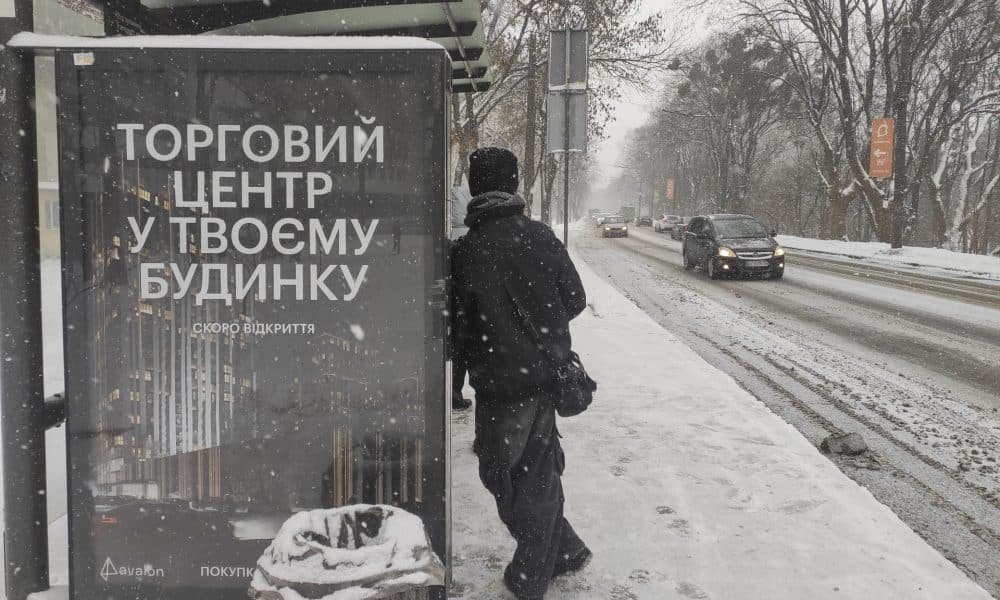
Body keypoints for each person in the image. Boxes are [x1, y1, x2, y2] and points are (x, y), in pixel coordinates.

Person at [450, 147, 591, 599]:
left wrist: (487, 347)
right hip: (542, 379)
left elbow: (456, 329)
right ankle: (564, 550)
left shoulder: (466, 251)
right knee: (535, 473)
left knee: (506, 478)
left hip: (499, 386)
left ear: (475, 188)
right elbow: (574, 299)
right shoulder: (541, 237)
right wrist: (541, 328)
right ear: (513, 185)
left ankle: (532, 574)